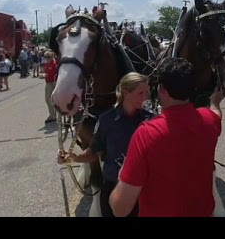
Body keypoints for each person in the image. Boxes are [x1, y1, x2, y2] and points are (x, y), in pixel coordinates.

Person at [109, 58, 222, 217]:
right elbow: (216, 112)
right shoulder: (210, 120)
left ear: (162, 90)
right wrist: (215, 101)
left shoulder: (146, 133)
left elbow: (120, 209)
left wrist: (122, 175)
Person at [57, 72, 153, 217]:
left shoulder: (152, 120)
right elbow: (93, 152)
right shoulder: (107, 120)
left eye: (147, 92)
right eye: (141, 93)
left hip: (144, 191)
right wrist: (73, 157)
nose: (145, 97)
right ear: (126, 93)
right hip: (113, 189)